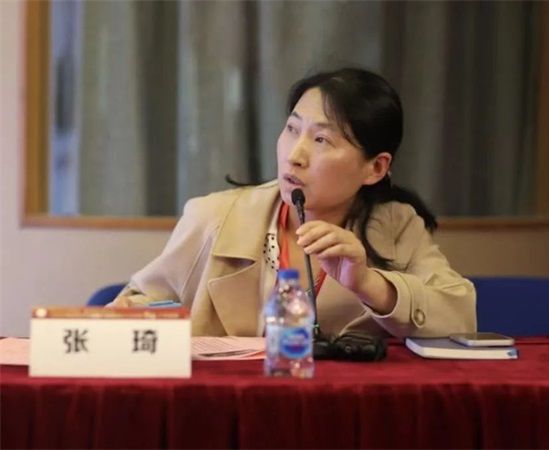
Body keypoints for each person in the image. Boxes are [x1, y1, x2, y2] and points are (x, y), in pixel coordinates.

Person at [108, 67, 476, 338]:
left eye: (321, 140)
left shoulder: (397, 226)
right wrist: (144, 316)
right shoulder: (213, 218)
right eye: (292, 129)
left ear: (375, 168)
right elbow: (133, 306)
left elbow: (460, 318)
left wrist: (368, 283)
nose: (294, 155)